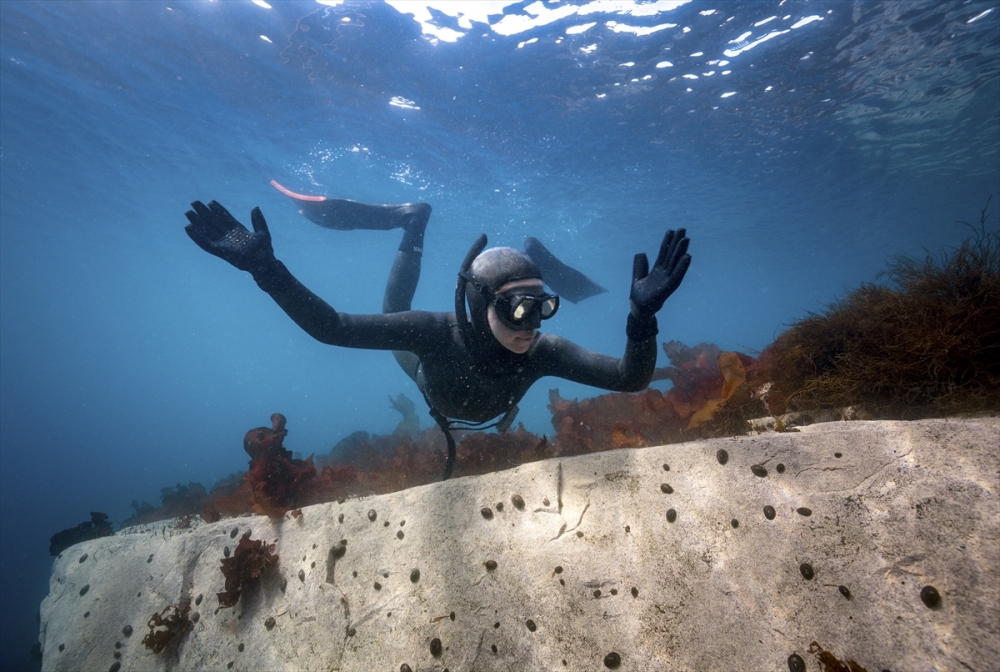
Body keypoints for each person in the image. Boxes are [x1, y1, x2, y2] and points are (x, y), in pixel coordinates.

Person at [184, 187, 691, 478]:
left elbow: (630, 378)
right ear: (480, 304)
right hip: (427, 369)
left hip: (463, 397)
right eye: (518, 310)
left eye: (544, 308)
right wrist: (265, 269)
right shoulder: (433, 333)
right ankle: (412, 223)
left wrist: (641, 320)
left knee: (395, 308)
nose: (532, 326)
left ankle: (415, 225)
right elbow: (331, 328)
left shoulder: (543, 350)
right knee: (393, 310)